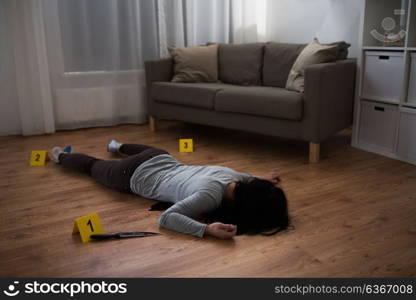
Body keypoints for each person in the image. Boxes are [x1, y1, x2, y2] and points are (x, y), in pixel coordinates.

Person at [51, 140, 289, 239]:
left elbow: (248, 177)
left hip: (160, 157)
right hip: (130, 176)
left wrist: (262, 178)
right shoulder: (209, 196)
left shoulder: (233, 176)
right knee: (92, 166)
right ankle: (60, 156)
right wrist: (205, 229)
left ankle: (117, 145)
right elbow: (167, 218)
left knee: (148, 150)